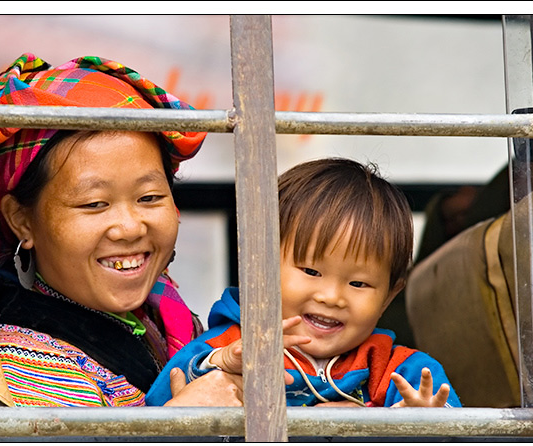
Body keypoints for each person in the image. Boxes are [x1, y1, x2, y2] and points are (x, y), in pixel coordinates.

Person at [0, 53, 243, 407]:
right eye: (94, 204)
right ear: (22, 220)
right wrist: (180, 427)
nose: (128, 227)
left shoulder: (171, 322)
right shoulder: (24, 364)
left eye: (149, 196)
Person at [146, 158, 461, 408]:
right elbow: (157, 409)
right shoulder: (227, 347)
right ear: (260, 268)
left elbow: (459, 431)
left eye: (359, 284)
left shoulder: (399, 371)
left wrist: (422, 422)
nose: (331, 296)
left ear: (389, 297)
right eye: (311, 271)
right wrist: (217, 364)